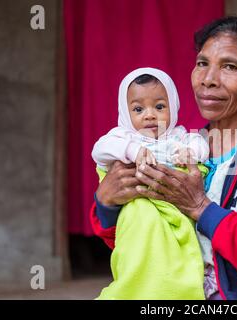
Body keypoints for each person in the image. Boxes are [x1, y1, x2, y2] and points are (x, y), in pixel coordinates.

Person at [91, 17, 237, 300]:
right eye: (202, 63)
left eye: (229, 66)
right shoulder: (181, 147)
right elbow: (135, 242)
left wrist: (202, 208)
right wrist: (107, 204)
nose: (208, 80)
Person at [91, 67, 209, 299]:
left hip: (173, 216)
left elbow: (201, 144)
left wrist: (190, 152)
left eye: (159, 107)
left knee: (176, 264)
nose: (150, 115)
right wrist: (133, 151)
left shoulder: (178, 137)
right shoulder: (122, 137)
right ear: (125, 113)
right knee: (138, 259)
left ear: (173, 107)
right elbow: (100, 150)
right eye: (138, 109)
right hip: (137, 218)